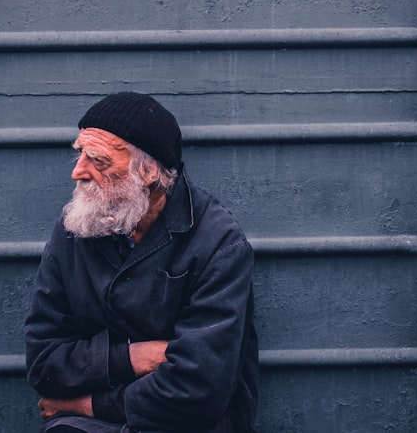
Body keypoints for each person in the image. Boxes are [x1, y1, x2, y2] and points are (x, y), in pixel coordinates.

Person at [24, 92, 259, 433]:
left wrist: (88, 403)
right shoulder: (75, 227)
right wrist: (134, 357)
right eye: (80, 155)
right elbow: (44, 362)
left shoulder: (217, 241)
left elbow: (199, 388)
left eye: (99, 161)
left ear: (148, 173)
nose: (78, 172)